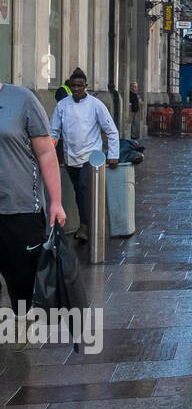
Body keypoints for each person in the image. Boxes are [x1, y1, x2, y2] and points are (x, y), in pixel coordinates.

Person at [0, 78, 66, 314]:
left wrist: (56, 202)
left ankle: (21, 321)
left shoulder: (22, 100)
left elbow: (47, 153)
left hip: (21, 209)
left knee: (21, 281)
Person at [49, 69, 119, 242]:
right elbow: (53, 132)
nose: (76, 89)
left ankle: (86, 226)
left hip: (91, 157)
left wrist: (113, 155)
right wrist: (49, 152)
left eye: (80, 86)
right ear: (69, 86)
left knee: (83, 189)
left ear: (86, 86)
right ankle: (87, 223)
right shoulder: (62, 105)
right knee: (78, 192)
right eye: (73, 85)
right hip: (70, 157)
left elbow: (111, 131)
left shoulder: (96, 105)